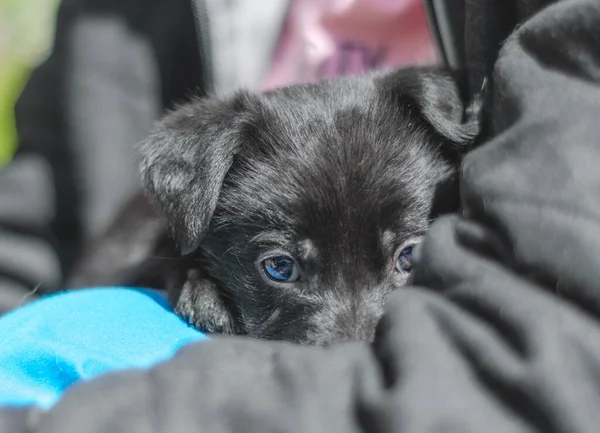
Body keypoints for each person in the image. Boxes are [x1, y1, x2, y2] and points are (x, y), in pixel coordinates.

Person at [0, 0, 436, 314]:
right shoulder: (111, 19)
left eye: (408, 260)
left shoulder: (455, 94)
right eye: (281, 267)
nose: (352, 340)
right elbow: (28, 226)